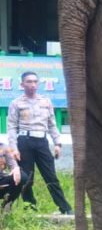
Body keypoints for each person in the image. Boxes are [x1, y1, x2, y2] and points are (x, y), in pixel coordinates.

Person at [6, 71, 73, 215]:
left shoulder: (46, 102)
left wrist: (57, 143)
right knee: (27, 178)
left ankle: (65, 208)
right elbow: (11, 127)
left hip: (42, 142)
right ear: (22, 84)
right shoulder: (16, 103)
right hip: (24, 141)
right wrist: (14, 148)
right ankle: (30, 208)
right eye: (29, 82)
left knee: (51, 176)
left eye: (35, 82)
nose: (32, 84)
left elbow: (52, 124)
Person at [0, 142, 29, 212]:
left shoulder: (3, 147)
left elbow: (13, 163)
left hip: (1, 182)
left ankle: (6, 206)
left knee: (22, 176)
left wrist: (16, 169)